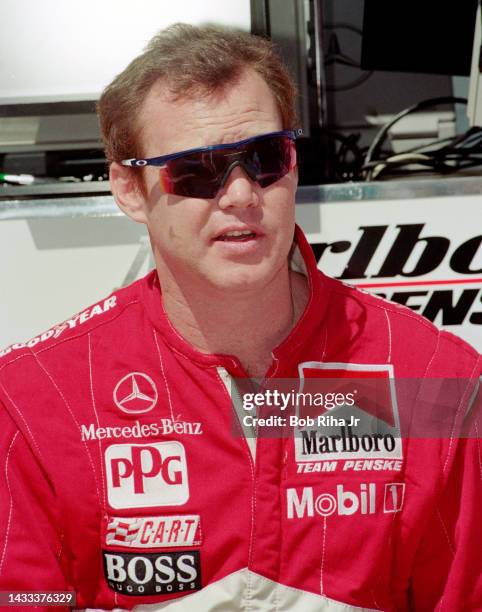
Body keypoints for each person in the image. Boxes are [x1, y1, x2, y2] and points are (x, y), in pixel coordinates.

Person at [0, 22, 480, 612]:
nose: (241, 194)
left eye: (263, 158)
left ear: (294, 164)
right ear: (128, 190)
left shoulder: (432, 374)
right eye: (197, 168)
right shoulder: (37, 396)